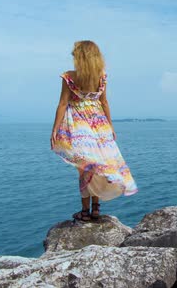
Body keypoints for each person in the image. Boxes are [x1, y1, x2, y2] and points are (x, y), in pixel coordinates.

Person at [50, 40, 138, 222]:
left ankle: (85, 212)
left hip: (79, 127)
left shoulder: (69, 77)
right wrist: (111, 126)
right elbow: (104, 102)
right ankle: (96, 209)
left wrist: (55, 129)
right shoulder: (101, 76)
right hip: (100, 127)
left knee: (84, 169)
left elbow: (63, 103)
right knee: (97, 168)